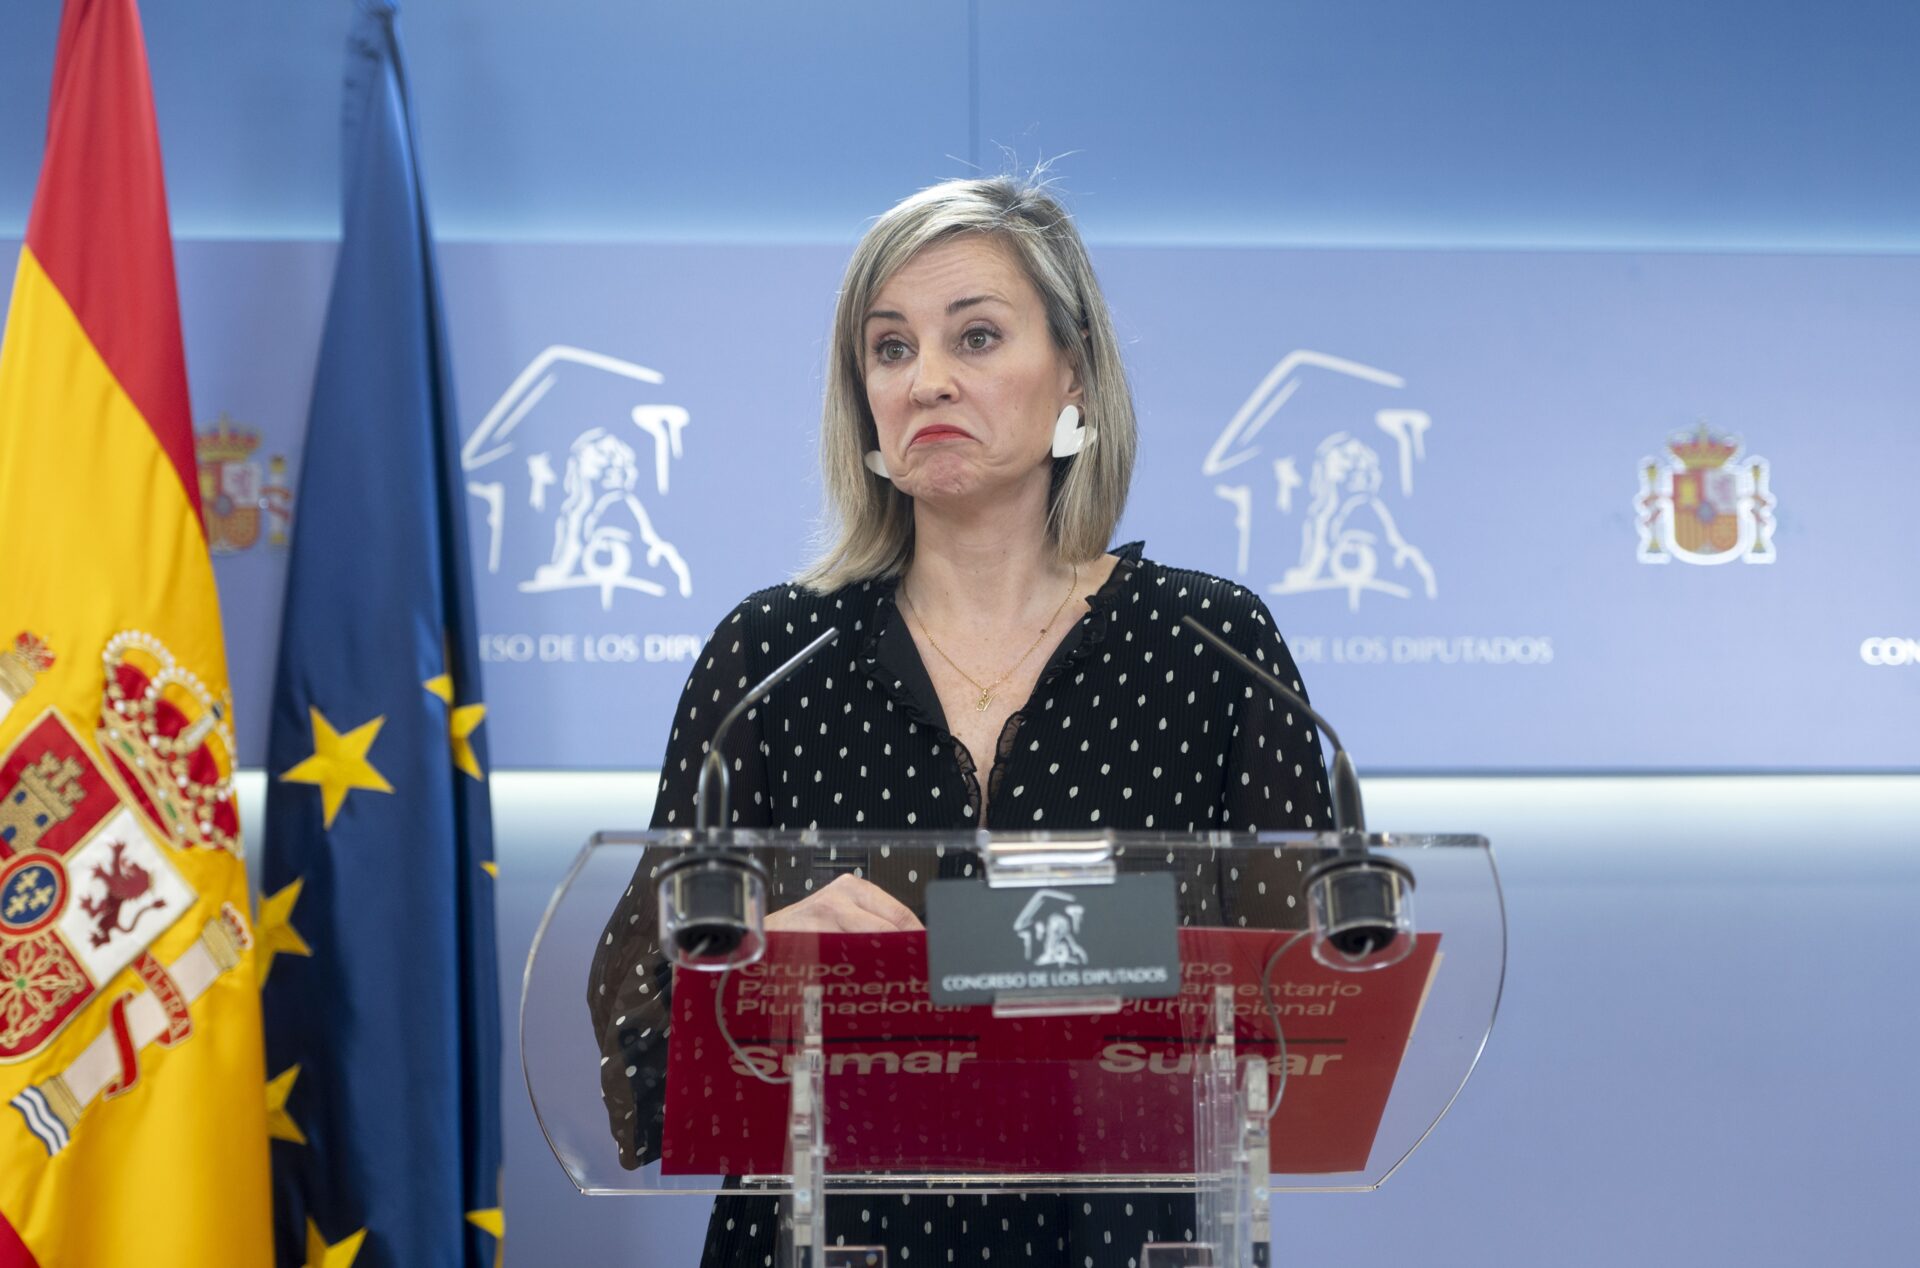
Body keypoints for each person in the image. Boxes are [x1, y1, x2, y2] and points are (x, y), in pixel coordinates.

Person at [590, 174, 1332, 1265]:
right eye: (890, 348)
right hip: (828, 1234)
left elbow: (1312, 1011)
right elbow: (634, 1025)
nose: (926, 378)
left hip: (1130, 1238)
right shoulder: (771, 657)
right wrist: (752, 962)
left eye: (975, 336)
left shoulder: (1210, 646)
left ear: (1074, 372)